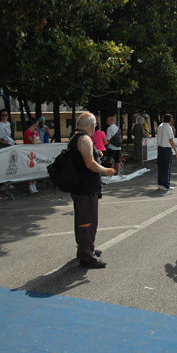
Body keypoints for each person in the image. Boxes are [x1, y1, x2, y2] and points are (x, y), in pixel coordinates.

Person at [69, 112, 115, 268]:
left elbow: (85, 159)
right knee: (88, 222)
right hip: (86, 188)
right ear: (91, 125)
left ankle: (85, 249)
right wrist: (106, 170)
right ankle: (87, 256)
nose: (95, 127)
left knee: (82, 221)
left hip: (79, 187)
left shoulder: (76, 137)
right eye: (94, 124)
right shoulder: (85, 139)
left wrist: (97, 154)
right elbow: (89, 163)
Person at [156, 114, 177, 191]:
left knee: (160, 166)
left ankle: (160, 184)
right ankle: (166, 184)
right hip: (166, 148)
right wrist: (176, 150)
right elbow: (171, 140)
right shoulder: (168, 127)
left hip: (160, 147)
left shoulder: (160, 126)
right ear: (170, 120)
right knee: (166, 167)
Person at [23, 121, 40, 194]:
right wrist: (33, 136)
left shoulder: (36, 132)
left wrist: (35, 138)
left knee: (36, 169)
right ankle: (30, 185)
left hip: (35, 152)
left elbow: (39, 141)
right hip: (29, 153)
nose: (37, 125)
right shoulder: (28, 132)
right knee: (30, 168)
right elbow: (33, 142)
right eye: (36, 123)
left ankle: (34, 184)